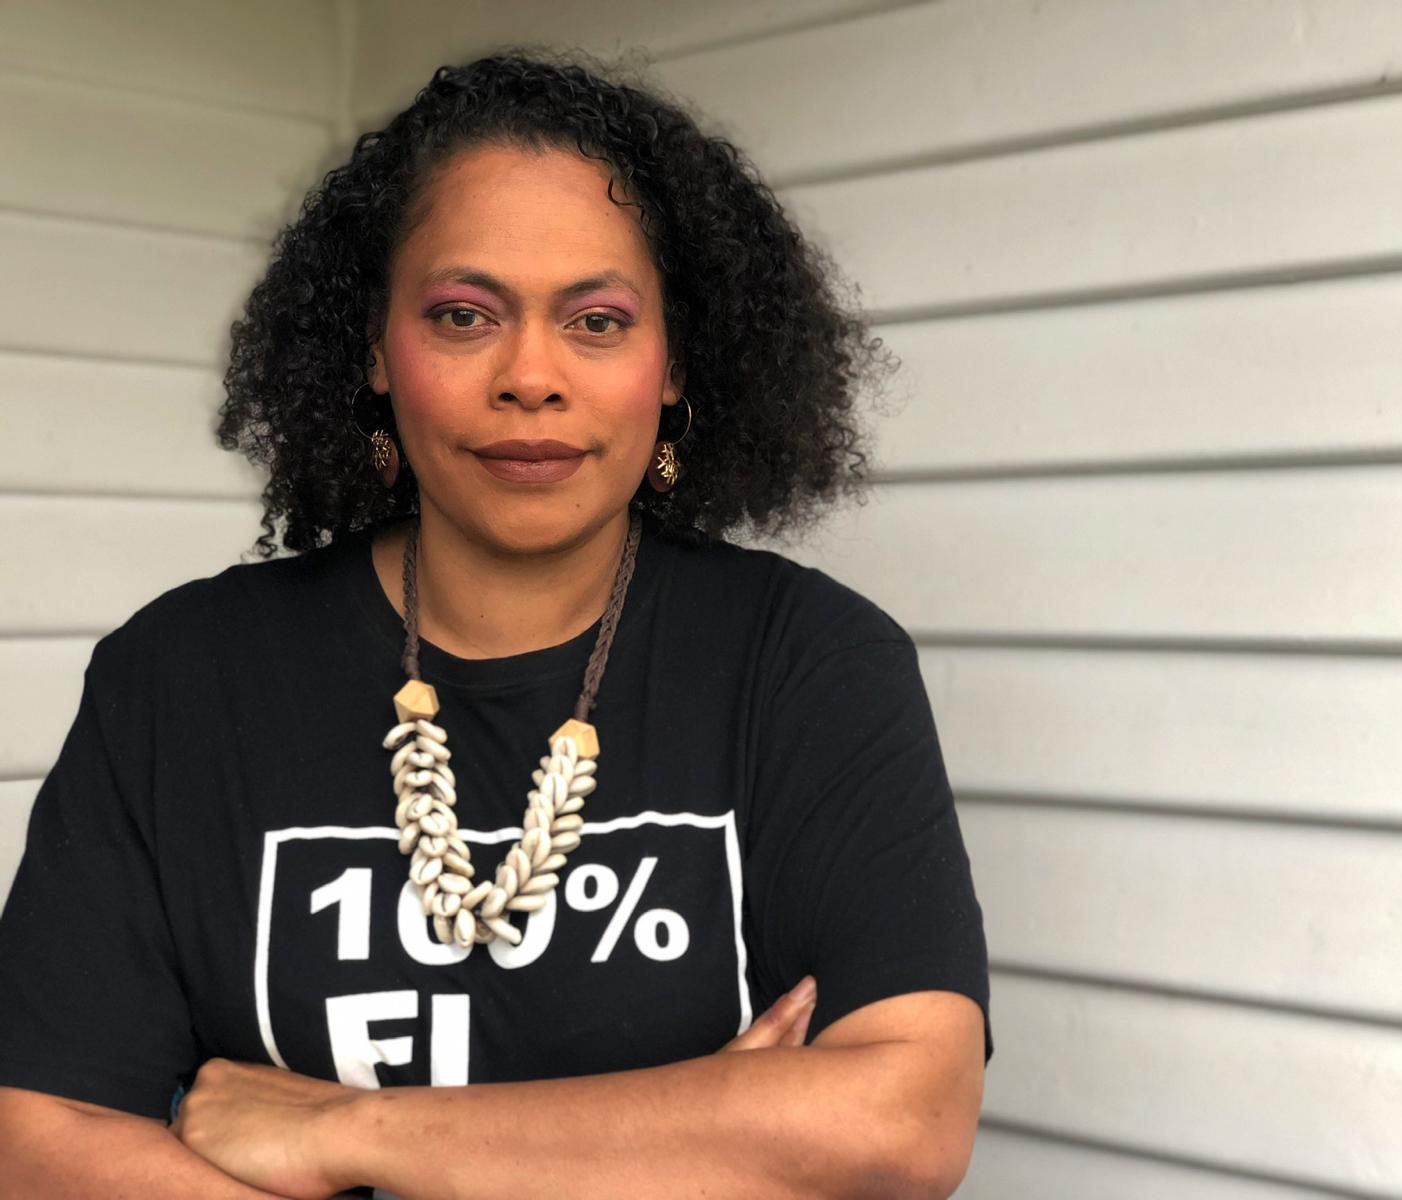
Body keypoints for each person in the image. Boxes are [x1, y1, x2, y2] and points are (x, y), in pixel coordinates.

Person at [0, 47, 992, 1198]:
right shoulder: (182, 678)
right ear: (375, 349)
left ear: (675, 364)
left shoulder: (809, 662)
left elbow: (902, 1123)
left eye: (599, 320)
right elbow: (42, 1134)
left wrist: (353, 1133)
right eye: (465, 315)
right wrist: (701, 1133)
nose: (531, 376)